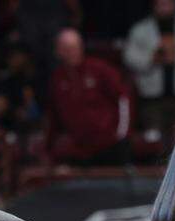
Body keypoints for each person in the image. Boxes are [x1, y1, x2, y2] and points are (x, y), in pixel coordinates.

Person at [123, 0, 175, 139]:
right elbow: (129, 58)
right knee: (153, 138)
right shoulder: (140, 30)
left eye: (168, 3)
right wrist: (152, 58)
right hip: (152, 97)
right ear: (154, 5)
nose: (164, 6)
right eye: (160, 3)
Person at [47, 29, 131, 165]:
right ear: (58, 51)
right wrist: (50, 146)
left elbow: (123, 99)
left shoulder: (100, 69)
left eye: (75, 48)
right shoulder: (57, 79)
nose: (72, 53)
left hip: (109, 145)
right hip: (78, 148)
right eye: (67, 49)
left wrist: (121, 135)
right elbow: (54, 115)